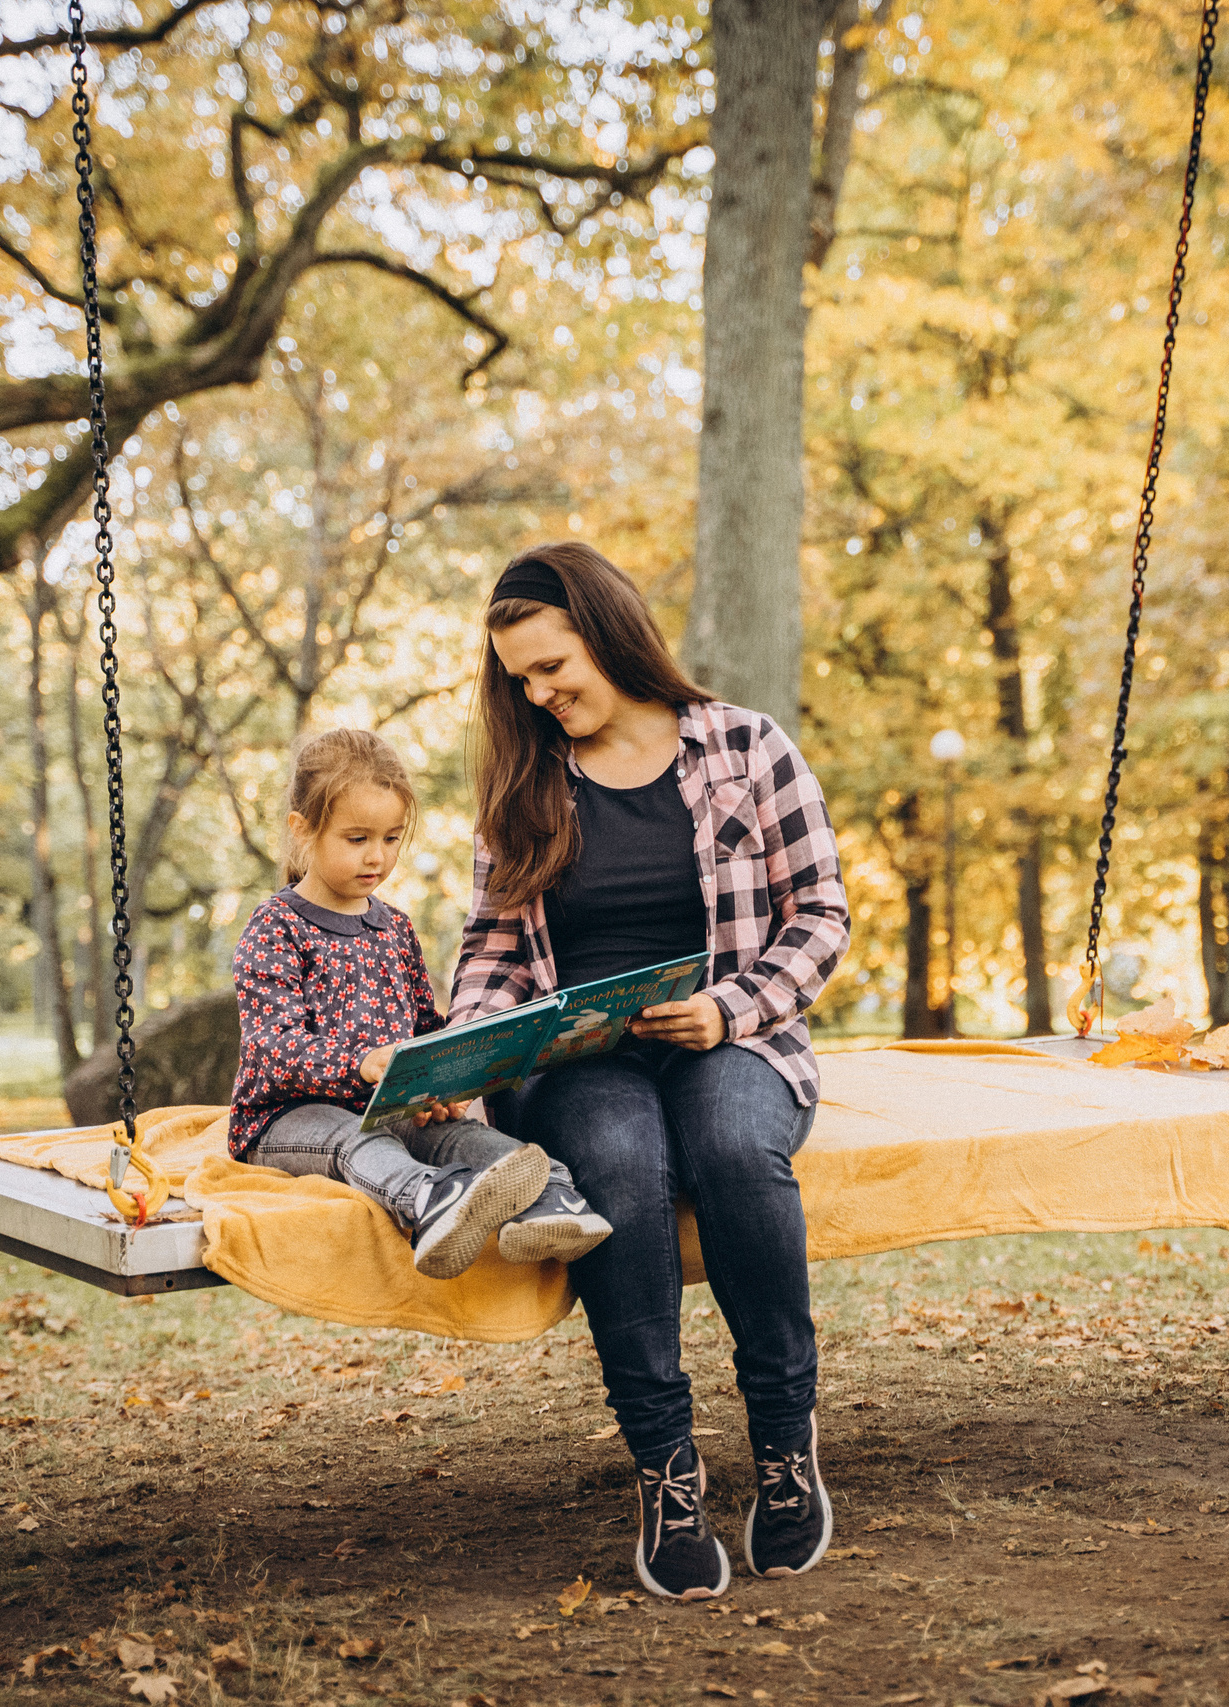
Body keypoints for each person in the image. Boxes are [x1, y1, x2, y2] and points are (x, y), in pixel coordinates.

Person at [453, 543, 850, 1601]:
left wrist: (729, 1008)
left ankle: (784, 1438)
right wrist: (468, 1046)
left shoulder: (746, 749)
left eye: (552, 667)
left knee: (731, 1143)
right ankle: (666, 1467)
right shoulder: (524, 787)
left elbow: (820, 914)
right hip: (581, 1063)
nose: (539, 695)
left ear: (607, 632)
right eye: (521, 680)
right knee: (619, 1164)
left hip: (732, 1038)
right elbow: (491, 954)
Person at [229, 728, 612, 1279]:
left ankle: (550, 1196)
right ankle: (430, 1199)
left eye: (391, 838)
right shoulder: (276, 926)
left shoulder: (395, 928)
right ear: (303, 830)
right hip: (285, 1120)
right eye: (357, 839)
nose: (378, 856)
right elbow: (273, 1047)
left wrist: (441, 1080)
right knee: (356, 1140)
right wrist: (360, 1064)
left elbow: (424, 1025)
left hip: (384, 1106)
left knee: (459, 1135)